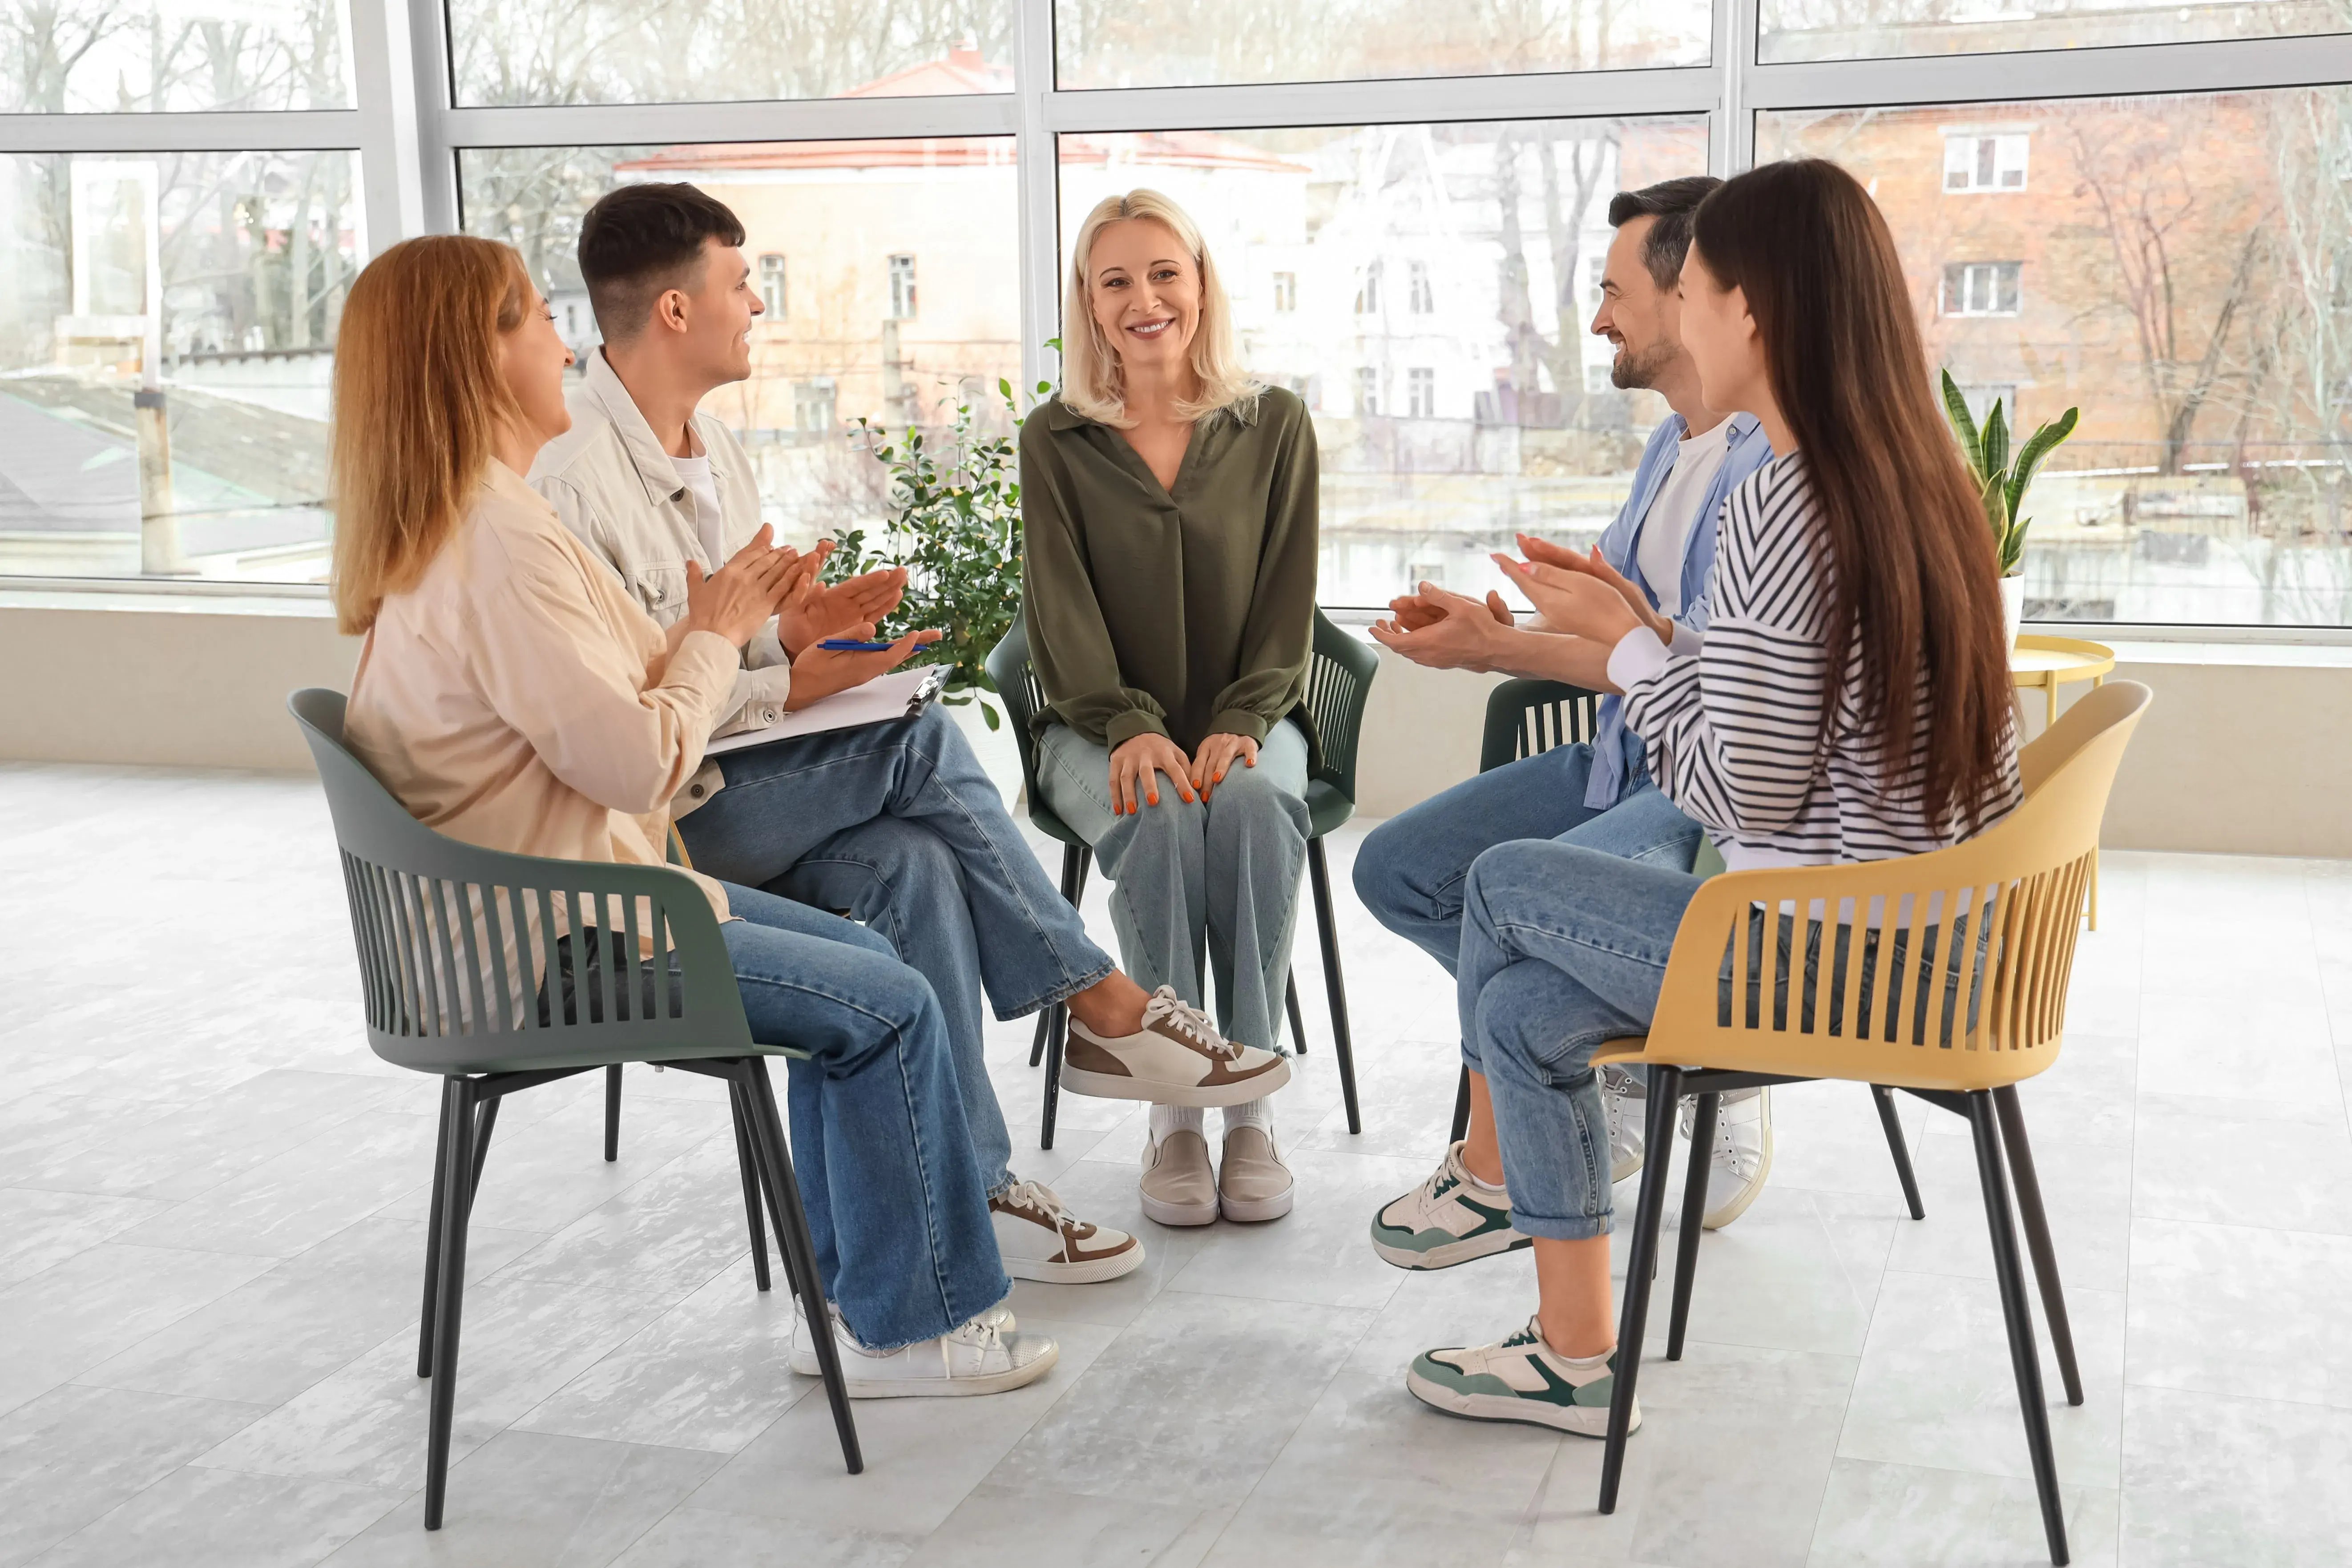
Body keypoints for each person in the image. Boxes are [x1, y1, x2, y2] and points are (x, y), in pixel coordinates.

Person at [332, 233, 1062, 1396]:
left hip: (561, 907)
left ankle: (867, 1304)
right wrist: (719, 632)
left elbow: (633, 680)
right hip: (562, 941)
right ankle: (913, 1324)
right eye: (530, 319)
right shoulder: (499, 544)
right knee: (886, 997)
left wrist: (747, 622)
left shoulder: (486, 521)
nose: (562, 341)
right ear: (475, 360)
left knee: (878, 960)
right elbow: (636, 760)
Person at [529, 183, 1282, 1284]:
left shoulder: (714, 450)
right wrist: (773, 677)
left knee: (916, 861)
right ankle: (1100, 999)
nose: (758, 306)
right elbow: (628, 732)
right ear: (679, 311)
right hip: (658, 826)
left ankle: (967, 1196)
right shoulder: (569, 481)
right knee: (916, 743)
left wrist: (799, 645)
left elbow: (722, 655)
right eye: (743, 285)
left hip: (741, 782)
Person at [1400, 159, 2023, 1435]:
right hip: (1949, 942)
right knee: (1519, 1001)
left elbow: (1742, 785)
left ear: (1755, 309)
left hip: (1850, 962)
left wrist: (1631, 650)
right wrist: (1635, 630)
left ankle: (1488, 1179)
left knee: (1502, 879)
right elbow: (1778, 710)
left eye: (1698, 290)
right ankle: (1575, 1351)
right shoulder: (1911, 472)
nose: (1679, 316)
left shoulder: (1781, 503)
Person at [1356, 177, 1779, 1270]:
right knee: (1397, 869)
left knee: (1506, 886)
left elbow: (1721, 691)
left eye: (1612, 289)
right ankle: (1615, 1050)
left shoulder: (1771, 468)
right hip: (1618, 755)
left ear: (1695, 294)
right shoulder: (1667, 448)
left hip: (1702, 783)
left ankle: (1693, 1074)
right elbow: (1622, 653)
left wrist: (1613, 636)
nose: (1597, 318)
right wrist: (1489, 643)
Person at [1021, 189, 1315, 1226]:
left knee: (1245, 807)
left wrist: (1245, 716)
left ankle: (1248, 1110)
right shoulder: (1054, 440)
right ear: (1091, 307)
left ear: (1199, 286)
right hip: (1094, 725)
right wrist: (1129, 722)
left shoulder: (1272, 422)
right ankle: (1172, 1110)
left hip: (1245, 716)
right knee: (1155, 811)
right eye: (1115, 281)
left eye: (1163, 274)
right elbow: (1060, 611)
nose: (1144, 299)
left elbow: (1289, 598)